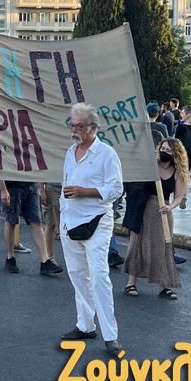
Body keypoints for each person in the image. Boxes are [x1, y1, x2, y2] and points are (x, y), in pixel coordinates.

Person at [59, 103, 124, 355]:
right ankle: (85, 325)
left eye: (79, 126)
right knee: (77, 274)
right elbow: (66, 185)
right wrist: (63, 219)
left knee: (98, 276)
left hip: (97, 221)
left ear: (93, 128)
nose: (73, 130)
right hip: (70, 222)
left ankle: (111, 335)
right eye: (71, 125)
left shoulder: (107, 154)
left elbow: (116, 188)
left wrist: (85, 192)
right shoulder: (70, 152)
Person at [123, 138, 188, 299]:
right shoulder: (150, 165)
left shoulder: (178, 172)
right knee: (137, 244)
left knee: (163, 247)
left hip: (162, 211)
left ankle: (164, 286)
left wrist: (170, 207)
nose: (164, 152)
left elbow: (178, 197)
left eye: (168, 150)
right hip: (142, 208)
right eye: (162, 149)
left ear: (175, 153)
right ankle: (131, 283)